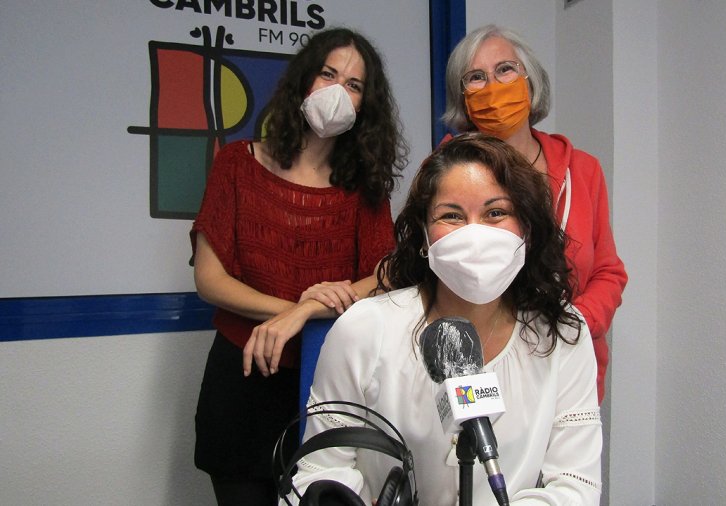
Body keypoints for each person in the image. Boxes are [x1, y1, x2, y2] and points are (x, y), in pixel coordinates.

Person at [290, 134, 601, 505]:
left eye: (495, 213)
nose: (474, 233)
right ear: (424, 237)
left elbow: (574, 485)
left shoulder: (562, 333)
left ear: (527, 231)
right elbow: (319, 471)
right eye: (451, 215)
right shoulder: (365, 329)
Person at [190, 27, 407, 505]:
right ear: (303, 81)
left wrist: (305, 314)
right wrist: (294, 307)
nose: (337, 91)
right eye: (328, 74)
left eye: (353, 84)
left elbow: (389, 276)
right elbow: (209, 279)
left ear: (364, 105)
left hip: (330, 382)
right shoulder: (236, 164)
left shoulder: (365, 189)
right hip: (241, 379)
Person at [442, 25, 627, 403]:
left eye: (505, 70)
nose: (492, 85)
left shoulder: (583, 169)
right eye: (475, 77)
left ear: (531, 81)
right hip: (478, 368)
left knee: (566, 463)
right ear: (463, 97)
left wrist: (574, 325)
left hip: (567, 367)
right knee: (472, 461)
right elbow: (428, 271)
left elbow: (609, 272)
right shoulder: (446, 169)